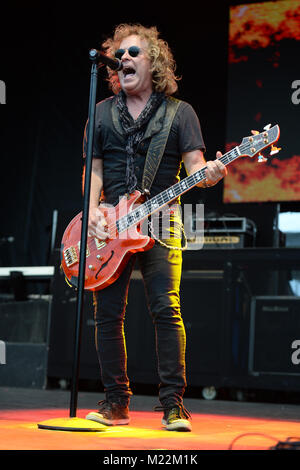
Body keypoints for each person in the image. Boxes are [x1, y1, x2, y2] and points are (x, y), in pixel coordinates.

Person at [83, 23, 227, 432]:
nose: (123, 59)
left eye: (133, 53)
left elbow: (197, 168)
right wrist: (92, 209)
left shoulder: (179, 113)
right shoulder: (101, 113)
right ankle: (116, 402)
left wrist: (212, 172)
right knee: (108, 314)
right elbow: (93, 168)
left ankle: (173, 405)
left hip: (162, 220)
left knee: (166, 308)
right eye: (120, 54)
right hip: (111, 224)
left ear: (154, 62)